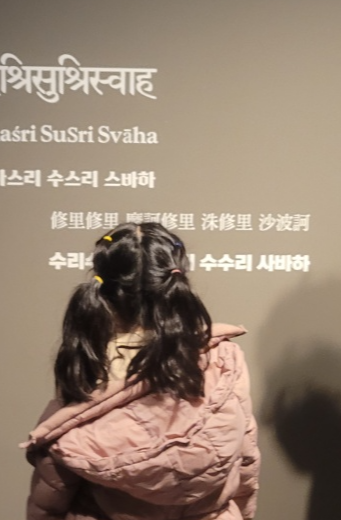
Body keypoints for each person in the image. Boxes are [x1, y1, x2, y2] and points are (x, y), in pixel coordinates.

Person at [20, 222, 260, 520]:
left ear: (104, 286)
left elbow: (53, 490)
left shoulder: (89, 363)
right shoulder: (223, 358)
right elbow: (245, 454)